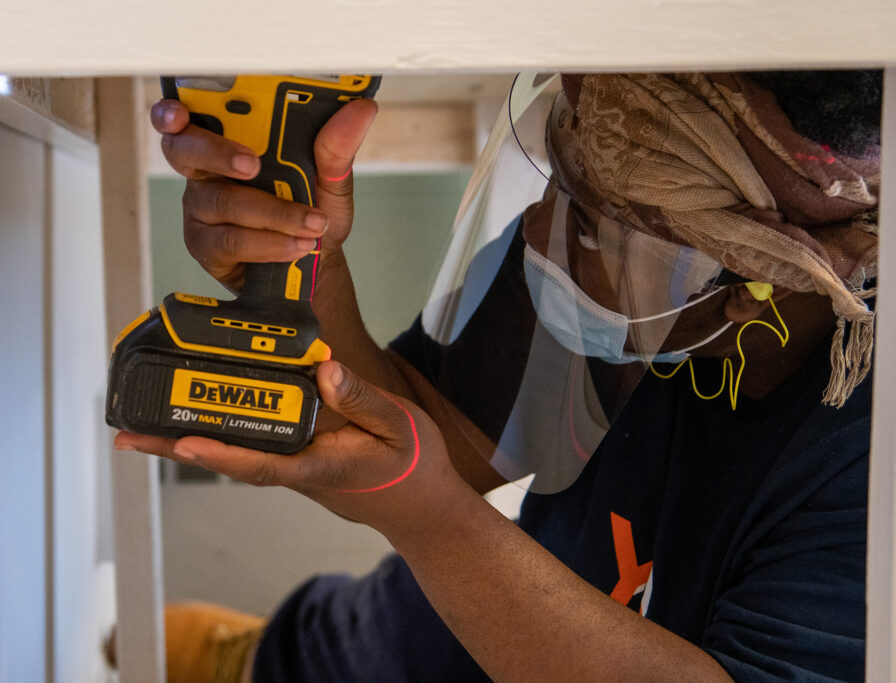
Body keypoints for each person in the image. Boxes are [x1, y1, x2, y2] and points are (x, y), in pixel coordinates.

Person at [115, 70, 882, 681]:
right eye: (561, 182)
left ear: (762, 282)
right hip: (393, 640)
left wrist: (436, 522)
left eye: (590, 225)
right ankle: (252, 658)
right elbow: (407, 422)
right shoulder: (652, 263)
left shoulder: (864, 459)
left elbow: (427, 490)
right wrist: (297, 254)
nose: (539, 231)